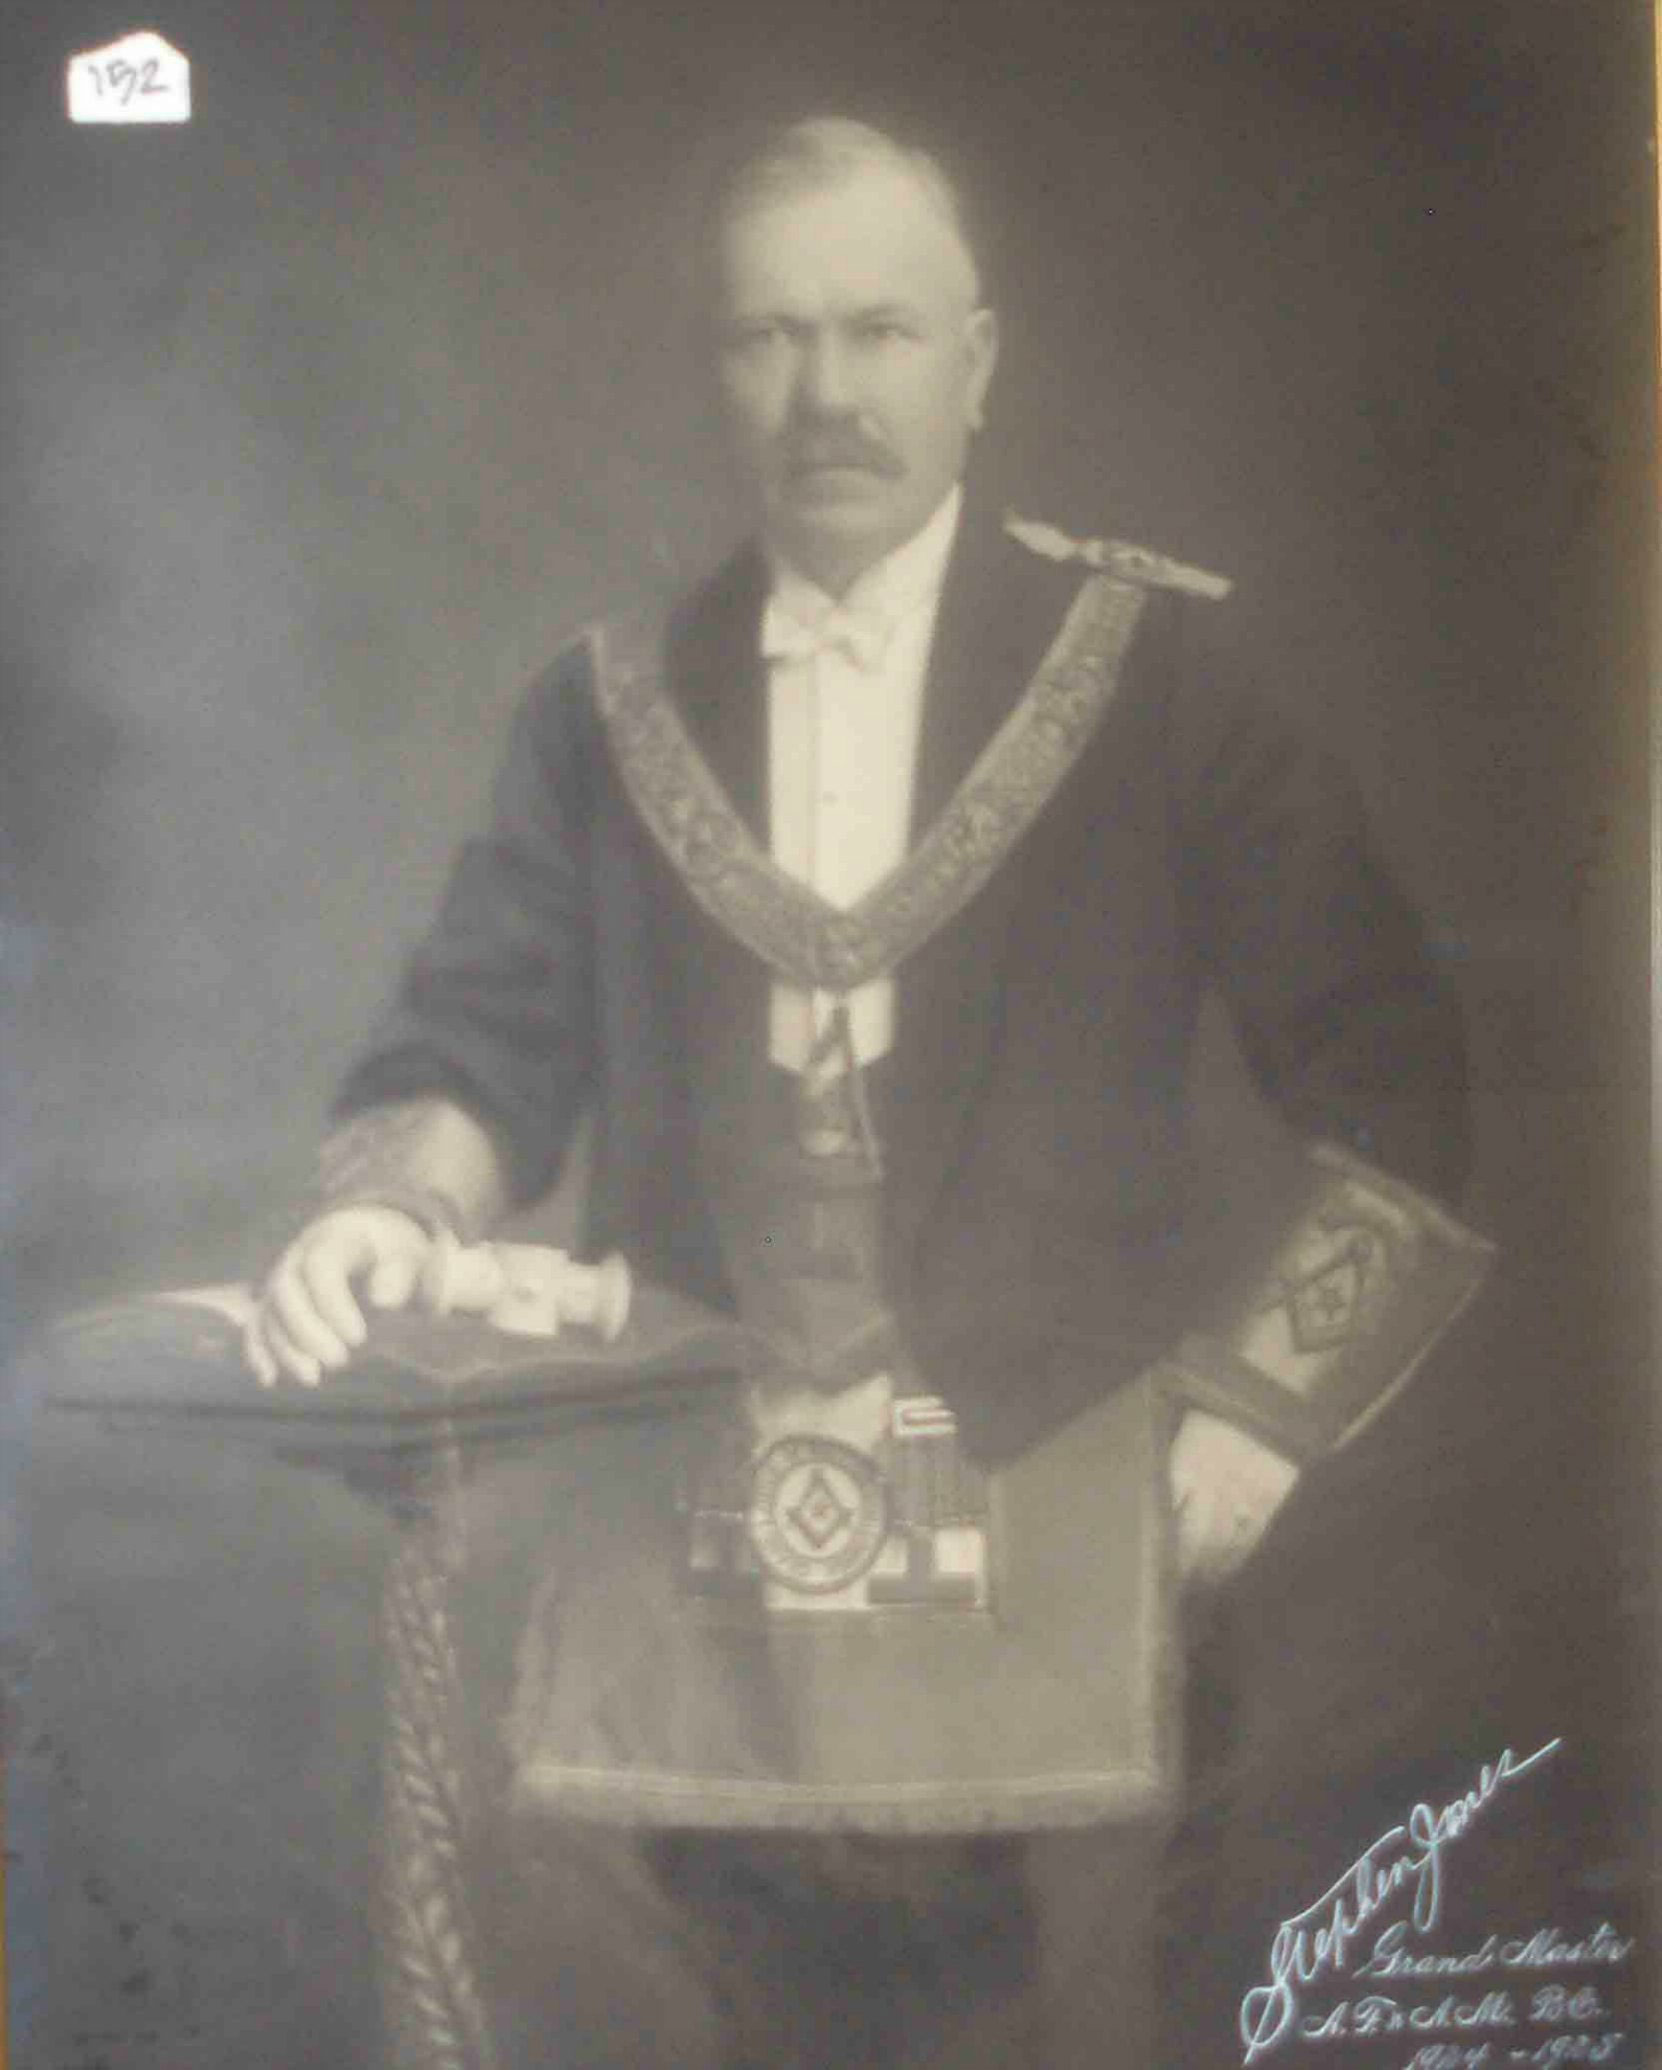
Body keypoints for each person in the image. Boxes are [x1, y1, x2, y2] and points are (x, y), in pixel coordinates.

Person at [243, 116, 1472, 2067]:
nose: (827, 392)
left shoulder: (1164, 682)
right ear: (716, 370)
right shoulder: (605, 704)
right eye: (771, 337)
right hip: (703, 1556)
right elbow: (480, 1047)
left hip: (1081, 1537)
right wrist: (392, 1204)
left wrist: (1263, 1417)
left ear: (978, 362)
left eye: (881, 332)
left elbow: (1404, 1088)